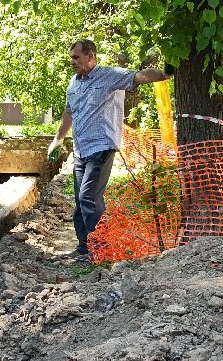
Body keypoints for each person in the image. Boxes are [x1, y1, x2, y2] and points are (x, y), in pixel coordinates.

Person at [46, 39, 171, 261]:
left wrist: (164, 74)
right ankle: (85, 248)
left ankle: (100, 250)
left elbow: (139, 76)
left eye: (76, 57)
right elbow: (69, 112)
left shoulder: (109, 75)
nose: (72, 61)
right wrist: (58, 139)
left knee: (89, 197)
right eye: (71, 57)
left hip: (102, 146)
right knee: (81, 200)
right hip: (81, 150)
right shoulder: (74, 83)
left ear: (91, 57)